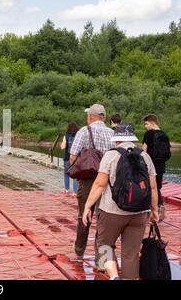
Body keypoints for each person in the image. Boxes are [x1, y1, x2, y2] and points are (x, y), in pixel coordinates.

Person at [82, 124, 159, 280]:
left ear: (116, 139)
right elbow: (152, 187)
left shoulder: (111, 155)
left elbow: (99, 184)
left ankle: (113, 276)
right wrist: (155, 210)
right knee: (131, 254)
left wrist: (87, 206)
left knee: (104, 246)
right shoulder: (145, 156)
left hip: (111, 211)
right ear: (132, 138)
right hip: (139, 213)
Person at [70, 104, 115, 263]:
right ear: (103, 117)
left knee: (84, 215)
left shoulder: (84, 131)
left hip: (89, 180)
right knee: (105, 219)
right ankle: (102, 259)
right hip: (108, 180)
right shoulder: (112, 133)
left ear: (90, 116)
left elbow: (73, 156)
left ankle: (79, 252)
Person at [142, 114, 171, 221]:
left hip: (150, 165)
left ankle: (150, 210)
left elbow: (144, 150)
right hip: (161, 165)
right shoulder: (164, 135)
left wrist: (141, 164)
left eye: (146, 124)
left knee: (148, 187)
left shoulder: (149, 134)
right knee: (157, 187)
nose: (145, 126)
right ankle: (160, 206)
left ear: (152, 123)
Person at [60, 122, 80, 194]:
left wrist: (61, 144)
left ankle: (67, 189)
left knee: (66, 174)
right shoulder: (78, 136)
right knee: (75, 176)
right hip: (76, 158)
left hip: (67, 157)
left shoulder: (66, 135)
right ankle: (75, 192)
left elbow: (63, 147)